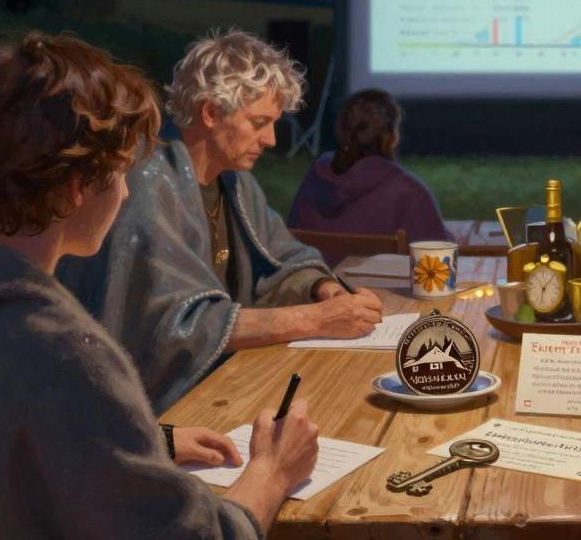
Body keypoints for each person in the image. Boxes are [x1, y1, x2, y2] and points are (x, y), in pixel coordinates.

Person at [0, 31, 320, 539]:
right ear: (77, 185)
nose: (127, 192)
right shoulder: (65, 357)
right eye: (123, 171)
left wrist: (153, 442)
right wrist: (273, 471)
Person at [57, 29, 383, 414]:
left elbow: (281, 259)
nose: (271, 140)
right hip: (155, 410)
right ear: (210, 113)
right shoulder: (146, 183)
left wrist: (326, 291)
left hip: (226, 384)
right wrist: (317, 319)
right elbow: (175, 329)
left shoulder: (235, 181)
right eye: (259, 122)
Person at [288, 87, 452, 244]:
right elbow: (439, 255)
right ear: (392, 137)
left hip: (314, 265)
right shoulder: (410, 191)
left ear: (342, 130)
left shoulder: (317, 176)